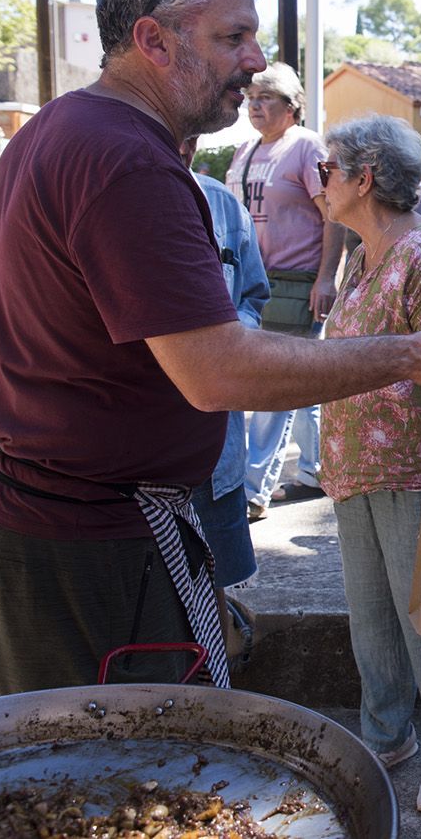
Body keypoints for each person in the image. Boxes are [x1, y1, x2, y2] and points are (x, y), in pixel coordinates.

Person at [0, 0, 421, 698]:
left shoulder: (67, 128)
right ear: (153, 41)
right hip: (82, 543)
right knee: (120, 785)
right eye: (233, 36)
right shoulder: (128, 161)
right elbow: (219, 371)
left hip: (56, 522)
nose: (255, 59)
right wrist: (411, 355)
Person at [319, 114, 421, 815]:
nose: (320, 183)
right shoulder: (361, 255)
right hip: (355, 466)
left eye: (328, 170)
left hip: (417, 469)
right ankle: (387, 736)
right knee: (371, 621)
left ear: (364, 177)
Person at [225, 62, 338, 518]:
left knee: (275, 384)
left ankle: (252, 489)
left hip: (295, 282)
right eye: (251, 97)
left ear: (291, 108)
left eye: (265, 98)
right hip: (250, 281)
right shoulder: (246, 149)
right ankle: (316, 471)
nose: (254, 105)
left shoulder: (307, 147)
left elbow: (335, 214)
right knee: (301, 381)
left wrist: (327, 277)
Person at [178, 135, 267, 590]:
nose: (182, 147)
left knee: (225, 594)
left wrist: (232, 335)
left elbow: (253, 292)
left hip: (217, 450)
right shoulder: (112, 201)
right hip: (140, 458)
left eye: (189, 138)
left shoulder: (223, 205)